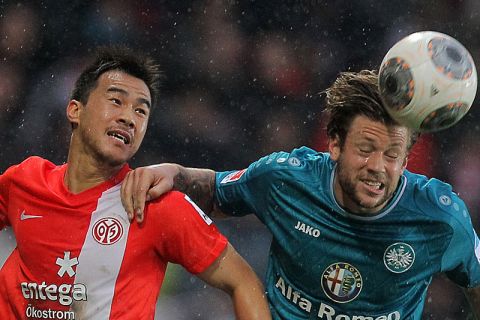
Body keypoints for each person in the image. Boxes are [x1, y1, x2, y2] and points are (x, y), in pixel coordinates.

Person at [121, 70, 480, 319]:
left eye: (392, 156)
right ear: (334, 144)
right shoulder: (286, 179)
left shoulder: (440, 218)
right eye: (366, 148)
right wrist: (175, 174)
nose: (377, 166)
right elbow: (216, 191)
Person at [0, 46, 271, 320]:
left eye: (141, 111)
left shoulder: (156, 206)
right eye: (116, 101)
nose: (129, 118)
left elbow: (243, 283)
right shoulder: (26, 179)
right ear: (74, 111)